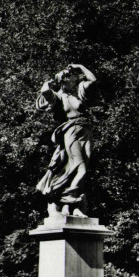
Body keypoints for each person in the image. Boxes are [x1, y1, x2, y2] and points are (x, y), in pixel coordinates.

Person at [36, 63, 96, 217]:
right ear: (62, 82)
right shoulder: (58, 97)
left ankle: (71, 207)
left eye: (72, 79)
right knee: (79, 168)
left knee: (79, 171)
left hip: (85, 131)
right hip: (71, 131)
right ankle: (69, 201)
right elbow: (44, 91)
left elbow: (93, 80)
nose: (72, 81)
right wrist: (49, 83)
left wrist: (81, 66)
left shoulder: (78, 92)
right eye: (68, 79)